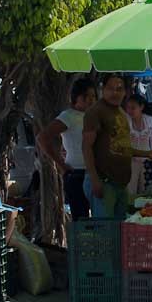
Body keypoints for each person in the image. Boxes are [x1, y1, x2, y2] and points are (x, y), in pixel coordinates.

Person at [82, 74, 152, 219]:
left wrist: (145, 153)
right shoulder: (95, 112)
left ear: (125, 92)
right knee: (106, 233)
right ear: (102, 89)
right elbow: (86, 147)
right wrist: (94, 179)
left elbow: (122, 147)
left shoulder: (121, 112)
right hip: (103, 182)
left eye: (119, 89)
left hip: (120, 183)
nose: (115, 92)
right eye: (110, 88)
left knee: (120, 231)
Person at [37, 79, 97, 220]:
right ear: (77, 97)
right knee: (81, 219)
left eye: (93, 96)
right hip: (76, 173)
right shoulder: (68, 116)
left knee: (98, 218)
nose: (91, 100)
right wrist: (61, 164)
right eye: (87, 96)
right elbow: (42, 138)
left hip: (95, 173)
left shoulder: (93, 115)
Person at [125, 94, 152, 195]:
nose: (130, 111)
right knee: (130, 192)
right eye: (128, 108)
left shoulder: (149, 120)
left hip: (146, 162)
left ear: (141, 107)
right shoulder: (125, 121)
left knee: (145, 191)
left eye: (133, 108)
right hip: (129, 162)